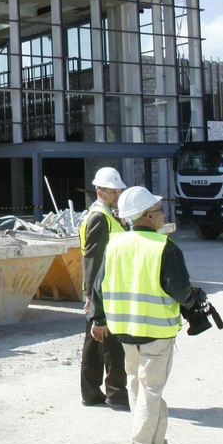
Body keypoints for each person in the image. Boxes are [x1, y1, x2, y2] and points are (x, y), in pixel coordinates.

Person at [90, 186, 195, 444]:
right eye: (159, 211)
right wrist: (194, 300)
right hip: (156, 332)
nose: (163, 215)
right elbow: (181, 291)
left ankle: (153, 440)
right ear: (148, 215)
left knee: (137, 384)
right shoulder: (164, 247)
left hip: (125, 331)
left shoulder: (115, 245)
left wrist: (99, 320)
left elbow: (99, 286)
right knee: (150, 390)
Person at [80, 167, 129, 409]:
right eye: (113, 191)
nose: (117, 195)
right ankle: (116, 394)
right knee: (111, 345)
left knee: (95, 343)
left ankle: (91, 393)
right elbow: (92, 258)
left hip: (105, 287)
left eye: (118, 191)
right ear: (100, 192)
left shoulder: (107, 215)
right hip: (104, 289)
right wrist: (90, 295)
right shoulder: (100, 217)